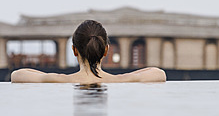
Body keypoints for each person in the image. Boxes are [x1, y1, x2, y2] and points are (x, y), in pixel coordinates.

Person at [11, 20, 166, 83]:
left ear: (74, 50)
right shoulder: (119, 81)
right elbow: (159, 73)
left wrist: (49, 77)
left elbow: (17, 75)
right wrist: (126, 77)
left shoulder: (60, 80)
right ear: (106, 50)